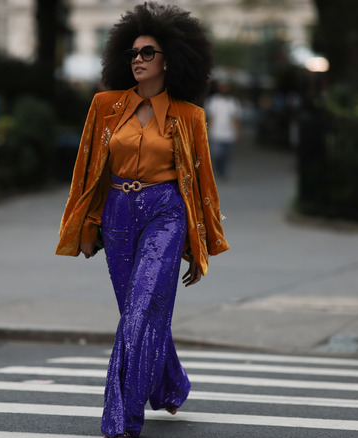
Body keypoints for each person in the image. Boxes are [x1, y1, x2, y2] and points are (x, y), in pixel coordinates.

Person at [55, 3, 229, 437]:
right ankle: (173, 383)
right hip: (116, 214)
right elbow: (90, 171)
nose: (137, 59)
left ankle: (122, 420)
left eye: (147, 52)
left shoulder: (190, 117)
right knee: (140, 312)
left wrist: (198, 243)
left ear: (168, 59)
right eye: (132, 52)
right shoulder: (105, 106)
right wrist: (89, 225)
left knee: (140, 313)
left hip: (166, 214)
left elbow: (203, 182)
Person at [204, 80, 242, 179]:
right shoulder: (213, 101)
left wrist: (237, 132)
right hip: (216, 133)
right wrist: (207, 131)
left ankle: (223, 172)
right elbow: (209, 118)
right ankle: (218, 169)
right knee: (217, 154)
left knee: (227, 156)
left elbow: (236, 118)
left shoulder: (233, 102)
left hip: (230, 134)